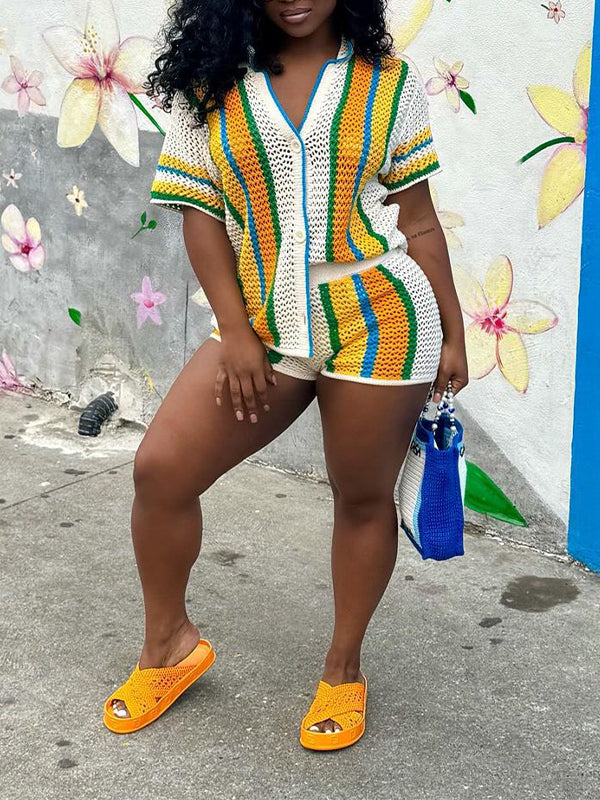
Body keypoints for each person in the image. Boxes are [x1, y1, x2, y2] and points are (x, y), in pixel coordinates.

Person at [102, 0, 468, 751]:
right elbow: (199, 214)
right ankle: (168, 646)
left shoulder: (388, 82)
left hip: (381, 317)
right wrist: (235, 331)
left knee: (361, 497)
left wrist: (455, 333)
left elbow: (419, 221)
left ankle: (342, 671)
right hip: (264, 324)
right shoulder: (212, 82)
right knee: (161, 470)